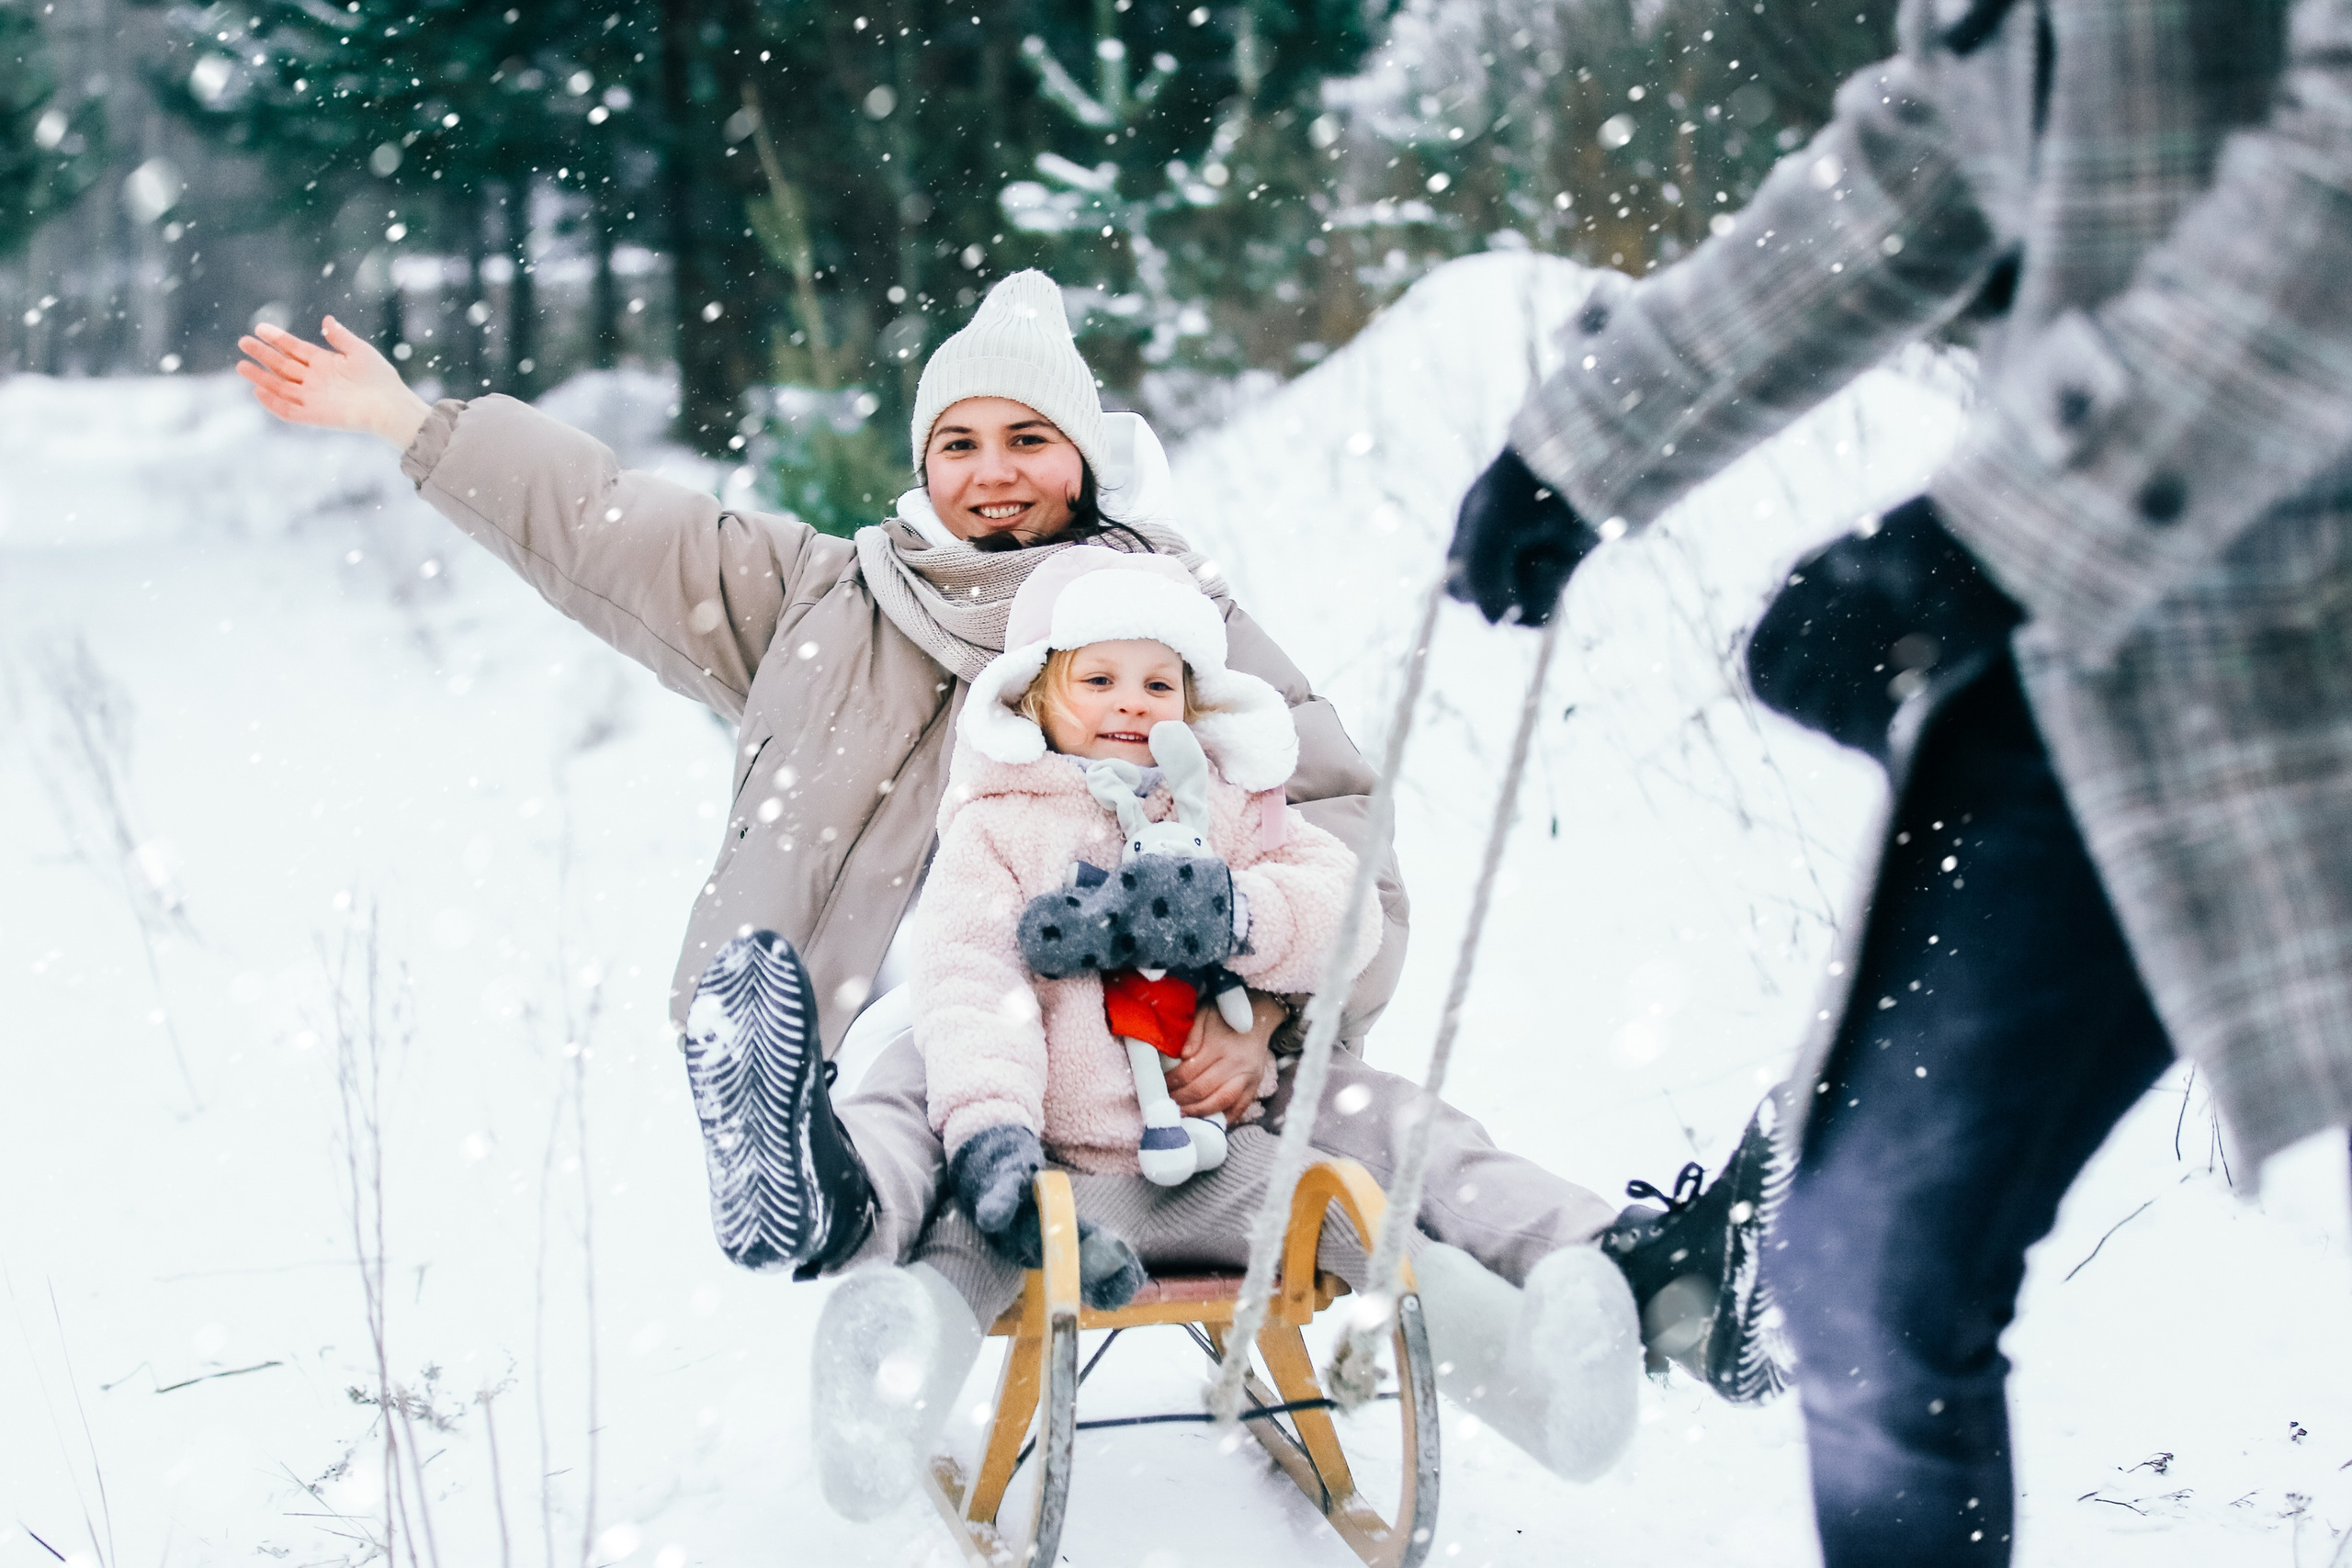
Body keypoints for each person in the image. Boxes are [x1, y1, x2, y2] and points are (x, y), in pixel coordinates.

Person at [232, 268, 1779, 1416]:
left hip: (1177, 1032)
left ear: (1085, 459)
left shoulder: (1176, 626)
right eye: (959, 439)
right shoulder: (827, 600)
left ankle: (1653, 1273)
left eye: (1029, 436)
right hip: (944, 1002)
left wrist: (1269, 1013)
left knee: (1386, 1119)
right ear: (922, 464)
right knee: (910, 1079)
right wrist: (415, 424)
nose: (992, 469)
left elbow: (1330, 824)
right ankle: (820, 1191)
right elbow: (612, 525)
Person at [1445, 2, 2352, 1563]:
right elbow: (1928, 156)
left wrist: (2009, 520)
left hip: (2261, 576)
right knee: (1867, 1265)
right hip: (2132, 651)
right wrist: (1589, 435)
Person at [722, 546, 1638, 1516]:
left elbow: (1345, 911)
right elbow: (970, 992)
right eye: (1099, 679)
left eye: (1158, 683)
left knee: (1369, 1224)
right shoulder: (996, 828)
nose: (1131, 702)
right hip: (1057, 1179)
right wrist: (994, 1144)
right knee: (963, 1249)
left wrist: (1237, 913)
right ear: (1035, 693)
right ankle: (883, 1401)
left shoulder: (1229, 807)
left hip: (1219, 1166)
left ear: (1193, 702)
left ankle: (1539, 1390)